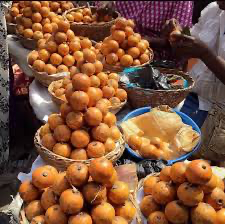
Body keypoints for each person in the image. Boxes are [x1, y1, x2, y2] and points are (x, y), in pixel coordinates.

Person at [168, 1, 225, 163]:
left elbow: (202, 50)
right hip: (193, 99)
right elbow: (188, 46)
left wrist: (206, 54)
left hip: (219, 118)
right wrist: (176, 35)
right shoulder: (213, 9)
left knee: (195, 168)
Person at [96, 1, 193, 69]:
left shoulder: (182, 2)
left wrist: (144, 41)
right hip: (113, 46)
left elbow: (180, 42)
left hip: (156, 60)